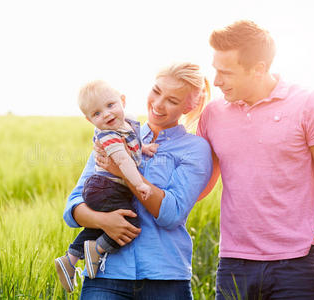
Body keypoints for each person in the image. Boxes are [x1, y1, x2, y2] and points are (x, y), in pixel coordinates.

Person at [197, 20, 314, 300]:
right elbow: (196, 186)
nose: (216, 81)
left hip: (295, 265)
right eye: (215, 70)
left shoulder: (310, 104)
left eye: (226, 72)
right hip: (233, 263)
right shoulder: (213, 114)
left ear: (259, 69)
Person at [62, 62, 213, 299]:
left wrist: (124, 172)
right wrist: (104, 221)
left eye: (172, 100)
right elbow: (73, 206)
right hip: (105, 275)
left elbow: (171, 213)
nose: (158, 104)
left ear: (189, 105)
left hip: (164, 278)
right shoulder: (112, 134)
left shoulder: (195, 149)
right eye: (156, 91)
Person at [54, 80, 159, 292]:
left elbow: (132, 145)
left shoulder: (126, 124)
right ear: (89, 119)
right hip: (105, 187)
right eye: (97, 114)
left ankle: (71, 258)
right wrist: (138, 184)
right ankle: (98, 249)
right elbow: (123, 162)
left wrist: (144, 148)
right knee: (130, 221)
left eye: (110, 106)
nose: (107, 114)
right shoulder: (108, 135)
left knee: (102, 224)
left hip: (103, 187)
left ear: (123, 100)